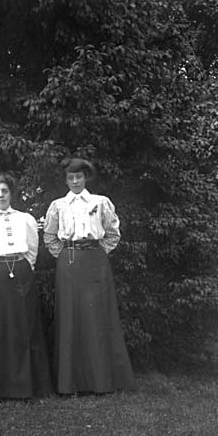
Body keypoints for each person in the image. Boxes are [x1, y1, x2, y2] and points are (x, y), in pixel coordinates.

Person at [43, 158, 135, 394]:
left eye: (79, 177)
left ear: (86, 178)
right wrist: (66, 255)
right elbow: (50, 236)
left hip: (95, 260)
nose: (75, 181)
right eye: (70, 178)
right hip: (69, 261)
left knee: (97, 316)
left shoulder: (100, 202)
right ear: (66, 180)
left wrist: (95, 254)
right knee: (70, 315)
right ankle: (70, 383)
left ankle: (101, 381)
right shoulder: (58, 206)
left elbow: (113, 233)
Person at [0, 172, 53, 398]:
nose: (0, 195)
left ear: (11, 193)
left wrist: (23, 267)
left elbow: (32, 250)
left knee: (25, 325)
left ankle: (27, 387)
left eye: (4, 191)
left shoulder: (25, 219)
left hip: (21, 271)